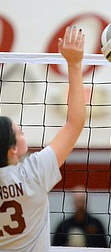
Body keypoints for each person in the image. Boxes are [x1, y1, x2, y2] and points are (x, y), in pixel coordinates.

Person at [0, 26, 85, 252]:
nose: (23, 133)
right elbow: (74, 124)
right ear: (11, 149)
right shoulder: (34, 173)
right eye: (19, 132)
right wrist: (75, 65)